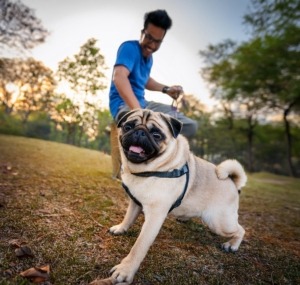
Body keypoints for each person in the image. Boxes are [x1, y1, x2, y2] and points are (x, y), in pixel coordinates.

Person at [109, 9, 198, 138]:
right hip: (124, 106)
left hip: (144, 104)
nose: (151, 45)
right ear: (142, 33)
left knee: (188, 126)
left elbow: (145, 80)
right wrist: (139, 112)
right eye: (149, 38)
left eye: (157, 41)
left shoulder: (149, 59)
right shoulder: (129, 48)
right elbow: (119, 77)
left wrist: (167, 89)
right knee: (135, 121)